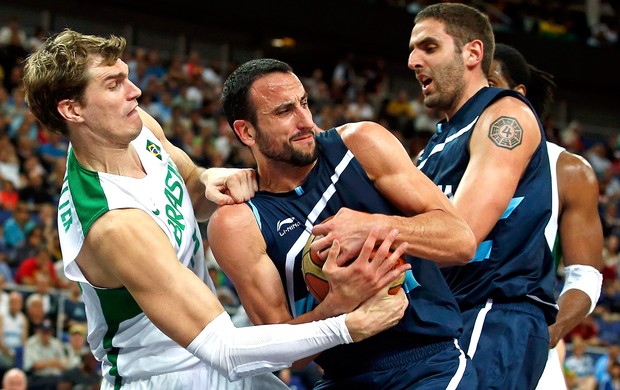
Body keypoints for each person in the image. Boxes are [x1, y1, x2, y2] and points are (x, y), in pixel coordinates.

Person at [22, 29, 408, 389]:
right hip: (166, 375)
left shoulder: (138, 130)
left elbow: (189, 187)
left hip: (210, 356)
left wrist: (208, 179)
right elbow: (226, 350)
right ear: (73, 110)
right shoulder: (114, 225)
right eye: (113, 84)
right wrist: (345, 321)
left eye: (126, 76)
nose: (135, 91)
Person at [210, 58, 478, 389]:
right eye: (284, 112)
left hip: (428, 363)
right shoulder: (238, 223)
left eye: (305, 103)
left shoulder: (360, 144)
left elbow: (461, 241)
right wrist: (340, 304)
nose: (305, 121)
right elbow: (280, 351)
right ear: (246, 131)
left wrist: (373, 227)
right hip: (342, 378)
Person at [392, 3, 557, 388]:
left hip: (494, 312)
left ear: (473, 53)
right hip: (447, 315)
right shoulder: (433, 146)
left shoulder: (504, 116)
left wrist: (369, 230)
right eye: (413, 50)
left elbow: (461, 235)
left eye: (429, 47)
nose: (414, 60)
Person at [487, 42, 605, 390]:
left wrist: (548, 334)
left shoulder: (566, 169)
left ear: (518, 93)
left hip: (525, 340)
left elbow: (586, 276)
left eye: (490, 84)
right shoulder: (438, 160)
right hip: (447, 337)